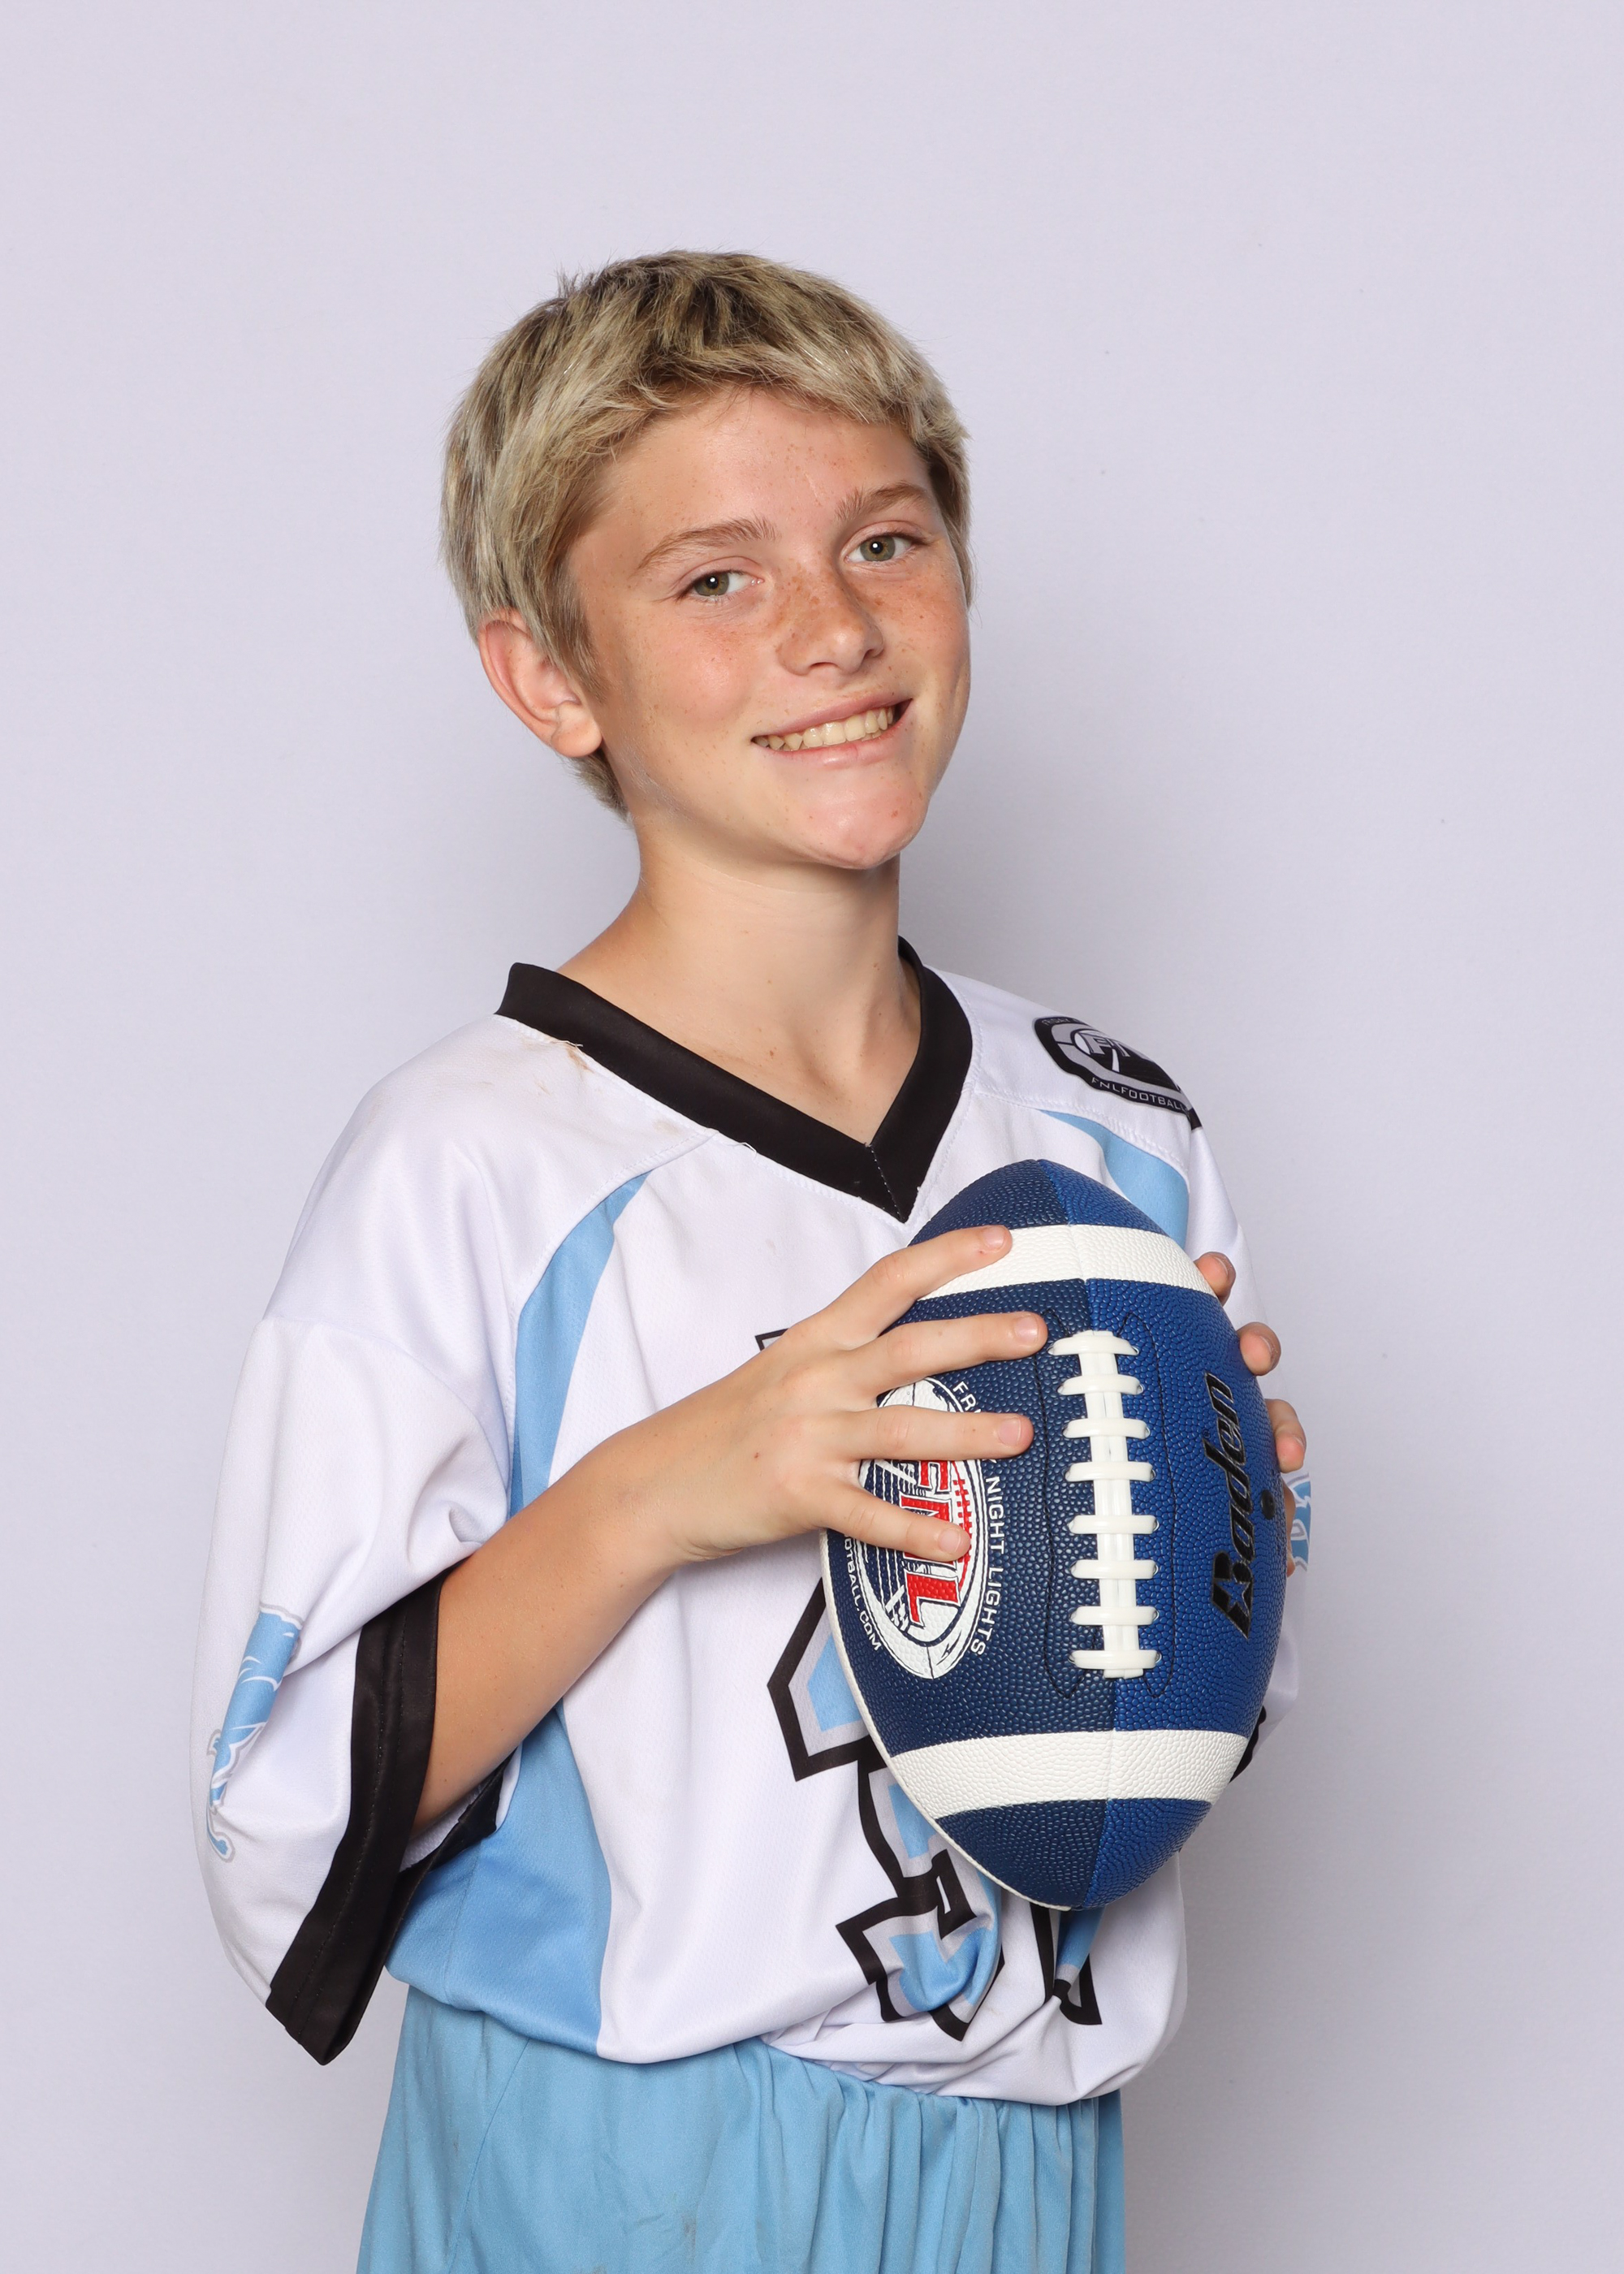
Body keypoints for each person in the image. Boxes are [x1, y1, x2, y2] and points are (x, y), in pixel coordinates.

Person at [192, 251, 1307, 2273]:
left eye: (885, 538)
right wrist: (660, 1489)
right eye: (715, 576)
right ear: (554, 677)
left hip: (1029, 2165)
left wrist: (1219, 1517)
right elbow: (289, 1792)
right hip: (620, 2161)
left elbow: (1156, 1732)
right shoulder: (474, 1158)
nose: (832, 625)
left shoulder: (1112, 1133)